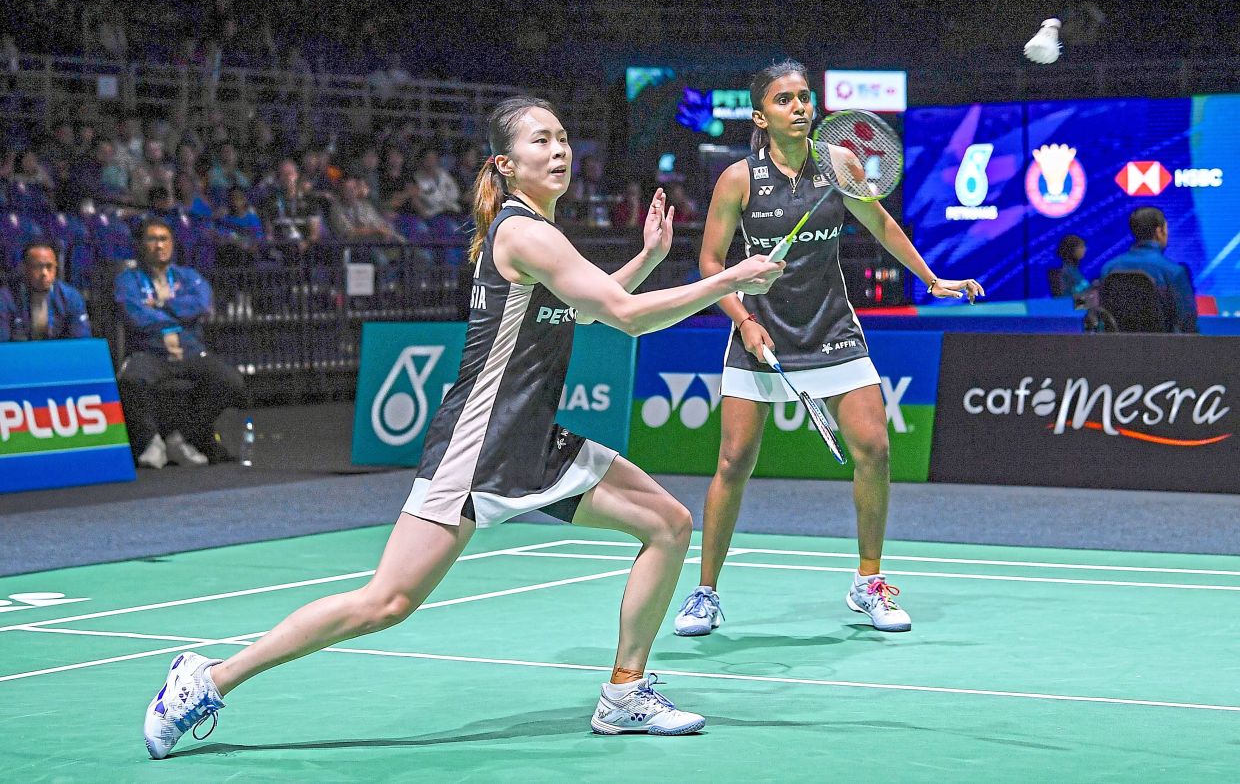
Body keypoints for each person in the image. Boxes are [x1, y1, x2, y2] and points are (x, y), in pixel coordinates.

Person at [141, 96, 785, 759]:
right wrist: (733, 280)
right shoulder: (525, 233)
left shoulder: (538, 233)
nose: (559, 151)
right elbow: (626, 317)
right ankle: (208, 680)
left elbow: (591, 310)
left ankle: (625, 694)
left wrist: (647, 258)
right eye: (541, 141)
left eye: (563, 138)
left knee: (668, 524)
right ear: (506, 164)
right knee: (386, 602)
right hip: (476, 444)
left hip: (530, 438)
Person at [672, 60, 983, 638]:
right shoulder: (738, 179)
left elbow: (881, 224)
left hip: (832, 326)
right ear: (760, 116)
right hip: (762, 327)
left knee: (876, 448)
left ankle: (869, 581)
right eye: (784, 99)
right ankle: (706, 592)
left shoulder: (838, 164)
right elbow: (711, 263)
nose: (799, 107)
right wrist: (743, 320)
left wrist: (932, 279)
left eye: (804, 97)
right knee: (733, 461)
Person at [115, 218, 246, 469]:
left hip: (189, 350)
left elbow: (202, 304)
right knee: (130, 380)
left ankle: (182, 435)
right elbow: (135, 315)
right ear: (141, 245)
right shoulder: (128, 280)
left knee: (231, 382)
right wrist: (176, 318)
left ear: (172, 244)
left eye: (164, 239)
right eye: (152, 239)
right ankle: (151, 441)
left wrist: (161, 305)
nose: (159, 245)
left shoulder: (188, 276)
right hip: (151, 351)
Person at [1101, 206, 1198, 333]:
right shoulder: (1174, 272)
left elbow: (1103, 316)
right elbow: (1187, 323)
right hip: (1164, 345)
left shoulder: (1109, 268)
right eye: (1166, 228)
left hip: (1118, 344)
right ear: (1159, 231)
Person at [0, 240, 91, 341]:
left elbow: (82, 342)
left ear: (56, 267)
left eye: (49, 266)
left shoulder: (71, 297)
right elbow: (2, 344)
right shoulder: (5, 298)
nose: (44, 273)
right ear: (24, 268)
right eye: (37, 267)